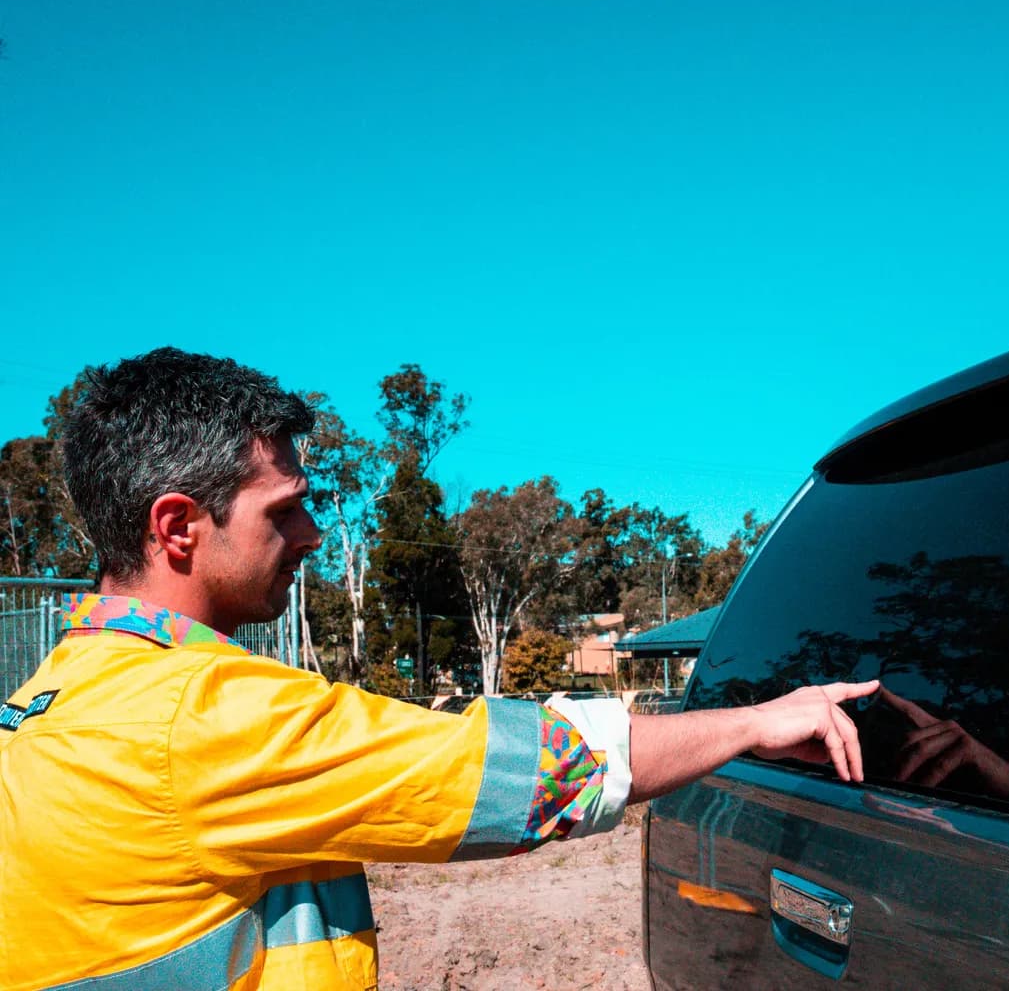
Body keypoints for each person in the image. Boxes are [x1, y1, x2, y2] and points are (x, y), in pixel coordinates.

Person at [0, 347, 877, 991]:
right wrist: (762, 721)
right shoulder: (195, 717)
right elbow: (528, 777)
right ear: (179, 526)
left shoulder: (46, 697)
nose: (309, 535)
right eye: (288, 510)